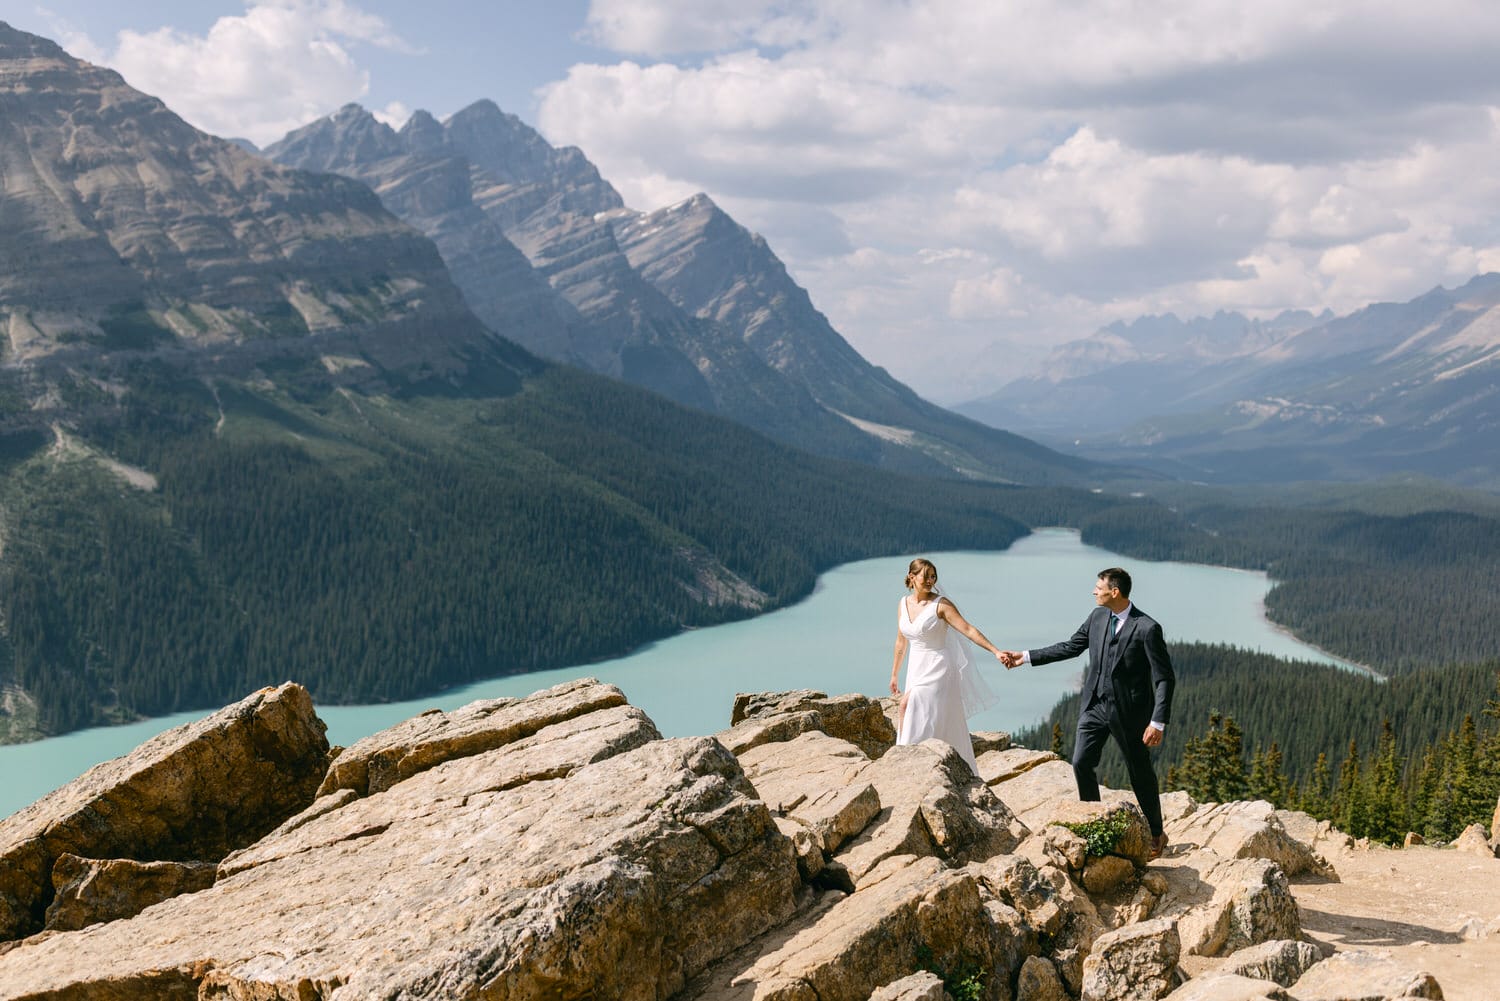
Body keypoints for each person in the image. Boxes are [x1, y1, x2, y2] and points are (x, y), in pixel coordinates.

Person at [1000, 567, 1175, 859]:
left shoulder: (1146, 628)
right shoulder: (1097, 617)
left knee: (1139, 771)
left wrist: (1157, 720)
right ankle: (1095, 823)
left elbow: (1164, 677)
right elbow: (1071, 647)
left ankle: (1156, 832)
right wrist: (1026, 657)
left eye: (1099, 587)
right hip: (1094, 705)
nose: (1094, 591)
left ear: (1114, 592)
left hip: (1129, 713)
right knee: (1081, 762)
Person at [890, 558, 1006, 775]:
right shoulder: (903, 604)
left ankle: (909, 761)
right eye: (926, 575)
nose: (930, 580)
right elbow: (900, 641)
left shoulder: (941, 605)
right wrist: (894, 674)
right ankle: (922, 763)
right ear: (912, 577)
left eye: (933, 576)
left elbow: (968, 630)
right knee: (925, 713)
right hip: (916, 667)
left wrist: (995, 651)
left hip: (938, 666)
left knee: (910, 705)